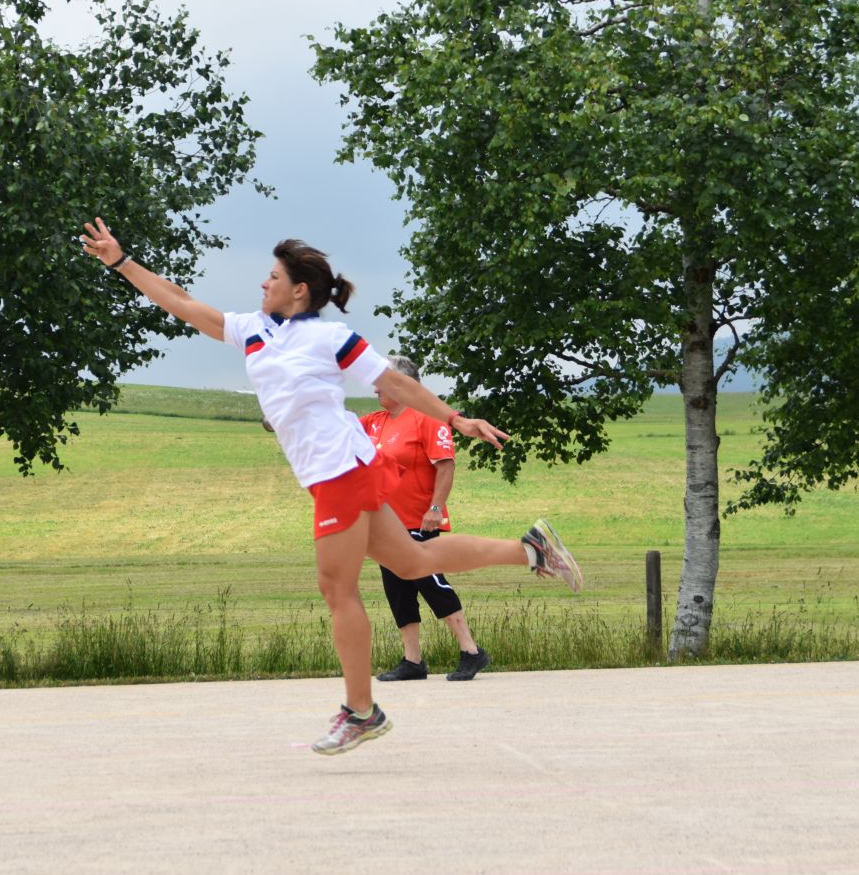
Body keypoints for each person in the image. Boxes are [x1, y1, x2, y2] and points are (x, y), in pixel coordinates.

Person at [78, 218, 582, 755]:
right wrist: (120, 262)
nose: (263, 284)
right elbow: (180, 302)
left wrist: (456, 419)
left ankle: (361, 711)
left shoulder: (329, 337)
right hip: (334, 472)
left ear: (299, 290)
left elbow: (395, 382)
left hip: (340, 469)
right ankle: (532, 550)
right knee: (412, 561)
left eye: (273, 277)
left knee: (336, 589)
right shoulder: (252, 329)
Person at [359, 355, 490, 683]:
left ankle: (471, 650)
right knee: (397, 588)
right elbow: (333, 428)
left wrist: (436, 508)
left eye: (382, 381)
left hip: (418, 520)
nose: (375, 388)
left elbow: (445, 465)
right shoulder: (375, 421)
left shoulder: (427, 419)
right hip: (385, 524)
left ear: (403, 384)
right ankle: (413, 660)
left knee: (429, 582)